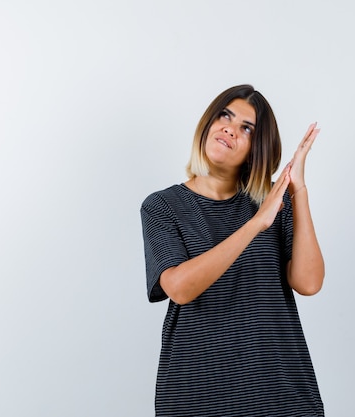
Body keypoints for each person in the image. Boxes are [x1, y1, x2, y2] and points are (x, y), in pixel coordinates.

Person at [140, 84, 325, 417]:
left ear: (257, 149)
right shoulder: (163, 206)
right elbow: (180, 288)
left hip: (281, 395)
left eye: (246, 128)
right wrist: (255, 225)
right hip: (198, 395)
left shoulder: (274, 203)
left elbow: (308, 282)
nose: (230, 128)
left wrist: (298, 191)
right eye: (225, 116)